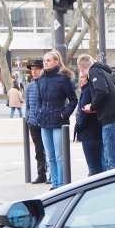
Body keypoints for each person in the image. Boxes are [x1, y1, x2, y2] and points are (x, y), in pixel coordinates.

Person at [76, 54, 115, 172]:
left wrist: (92, 106)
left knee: (113, 162)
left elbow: (101, 91)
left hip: (111, 121)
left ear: (81, 68)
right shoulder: (105, 72)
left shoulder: (94, 72)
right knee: (110, 160)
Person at [33, 52, 77, 189]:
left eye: (48, 60)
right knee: (50, 155)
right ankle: (55, 183)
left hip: (58, 119)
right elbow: (39, 99)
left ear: (56, 62)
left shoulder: (63, 79)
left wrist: (64, 114)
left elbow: (73, 99)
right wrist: (39, 111)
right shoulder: (41, 79)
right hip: (44, 120)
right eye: (44, 60)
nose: (45, 63)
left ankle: (61, 184)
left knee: (59, 155)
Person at [73, 58, 104, 178]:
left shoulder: (87, 91)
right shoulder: (92, 90)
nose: (80, 80)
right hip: (97, 131)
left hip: (89, 133)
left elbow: (84, 113)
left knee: (93, 165)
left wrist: (78, 126)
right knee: (99, 162)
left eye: (82, 77)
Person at [23, 60, 48, 184]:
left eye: (36, 69)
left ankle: (51, 174)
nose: (34, 72)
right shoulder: (31, 86)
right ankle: (41, 173)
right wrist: (28, 117)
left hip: (44, 121)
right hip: (33, 122)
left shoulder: (46, 83)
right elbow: (27, 104)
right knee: (39, 150)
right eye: (32, 70)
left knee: (49, 149)